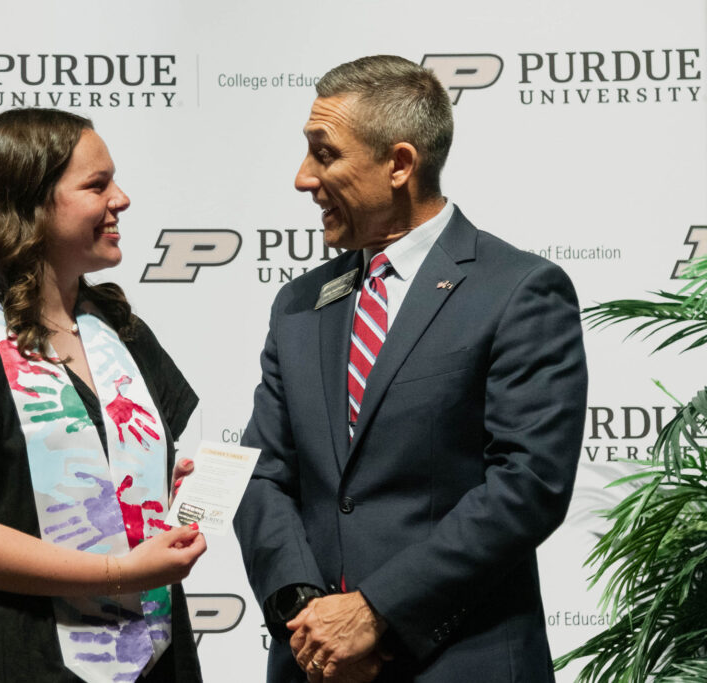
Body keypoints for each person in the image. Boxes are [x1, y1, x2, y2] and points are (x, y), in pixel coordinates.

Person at [233, 55, 587, 682]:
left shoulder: (520, 290)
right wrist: (302, 610)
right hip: (312, 663)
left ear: (399, 164)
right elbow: (263, 474)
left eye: (325, 154)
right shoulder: (298, 305)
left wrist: (375, 611)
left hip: (460, 663)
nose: (302, 179)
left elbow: (527, 485)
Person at [0, 108, 207, 683]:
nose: (121, 199)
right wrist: (117, 570)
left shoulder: (120, 329)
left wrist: (166, 492)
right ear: (28, 205)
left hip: (151, 652)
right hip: (8, 654)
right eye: (96, 185)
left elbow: (127, 474)